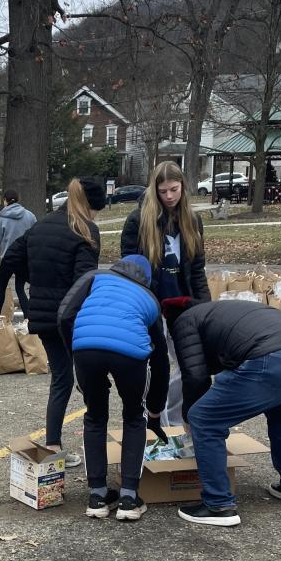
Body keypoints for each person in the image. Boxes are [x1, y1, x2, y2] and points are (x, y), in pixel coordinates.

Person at [166, 300, 281, 527]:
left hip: (277, 358)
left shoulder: (184, 321)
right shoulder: (228, 310)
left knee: (204, 418)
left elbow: (195, 376)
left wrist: (188, 415)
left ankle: (218, 504)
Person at [0, 177, 107, 468]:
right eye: (96, 211)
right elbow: (84, 281)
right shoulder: (86, 230)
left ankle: (53, 444)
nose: (95, 217)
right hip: (71, 317)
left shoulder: (40, 225)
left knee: (62, 379)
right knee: (91, 377)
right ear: (90, 206)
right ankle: (94, 441)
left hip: (44, 317)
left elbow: (10, 259)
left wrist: (31, 285)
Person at [58, 255, 169, 520]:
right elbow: (160, 358)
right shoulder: (149, 298)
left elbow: (64, 315)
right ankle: (129, 498)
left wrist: (76, 354)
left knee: (95, 417)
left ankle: (97, 496)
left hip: (86, 348)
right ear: (146, 279)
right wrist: (155, 410)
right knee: (134, 417)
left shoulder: (94, 277)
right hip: (130, 354)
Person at [120, 161, 209, 424]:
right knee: (154, 365)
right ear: (154, 190)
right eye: (163, 191)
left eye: (174, 189)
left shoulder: (192, 220)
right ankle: (153, 421)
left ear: (183, 187)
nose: (169, 196)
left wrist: (204, 306)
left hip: (183, 304)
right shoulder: (138, 220)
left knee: (190, 365)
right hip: (151, 305)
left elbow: (197, 270)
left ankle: (174, 420)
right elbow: (130, 269)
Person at [0, 190, 36, 260]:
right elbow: (36, 236)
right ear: (17, 200)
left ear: (5, 200)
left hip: (7, 258)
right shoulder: (30, 216)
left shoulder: (1, 218)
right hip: (26, 257)